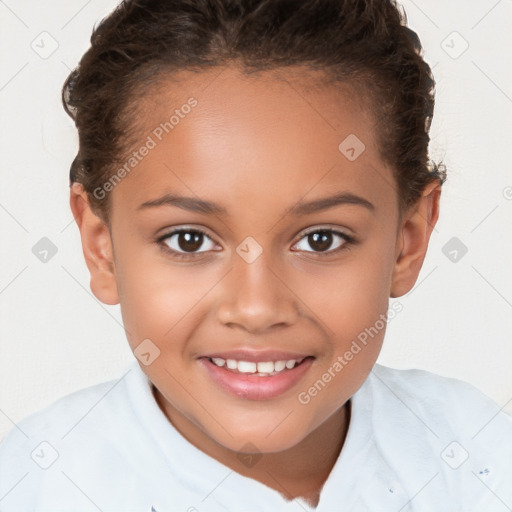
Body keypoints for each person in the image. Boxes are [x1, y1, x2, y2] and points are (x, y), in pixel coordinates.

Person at [0, 0, 510, 510]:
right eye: (189, 240)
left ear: (408, 239)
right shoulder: (33, 487)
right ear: (101, 247)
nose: (257, 308)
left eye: (321, 239)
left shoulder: (480, 460)